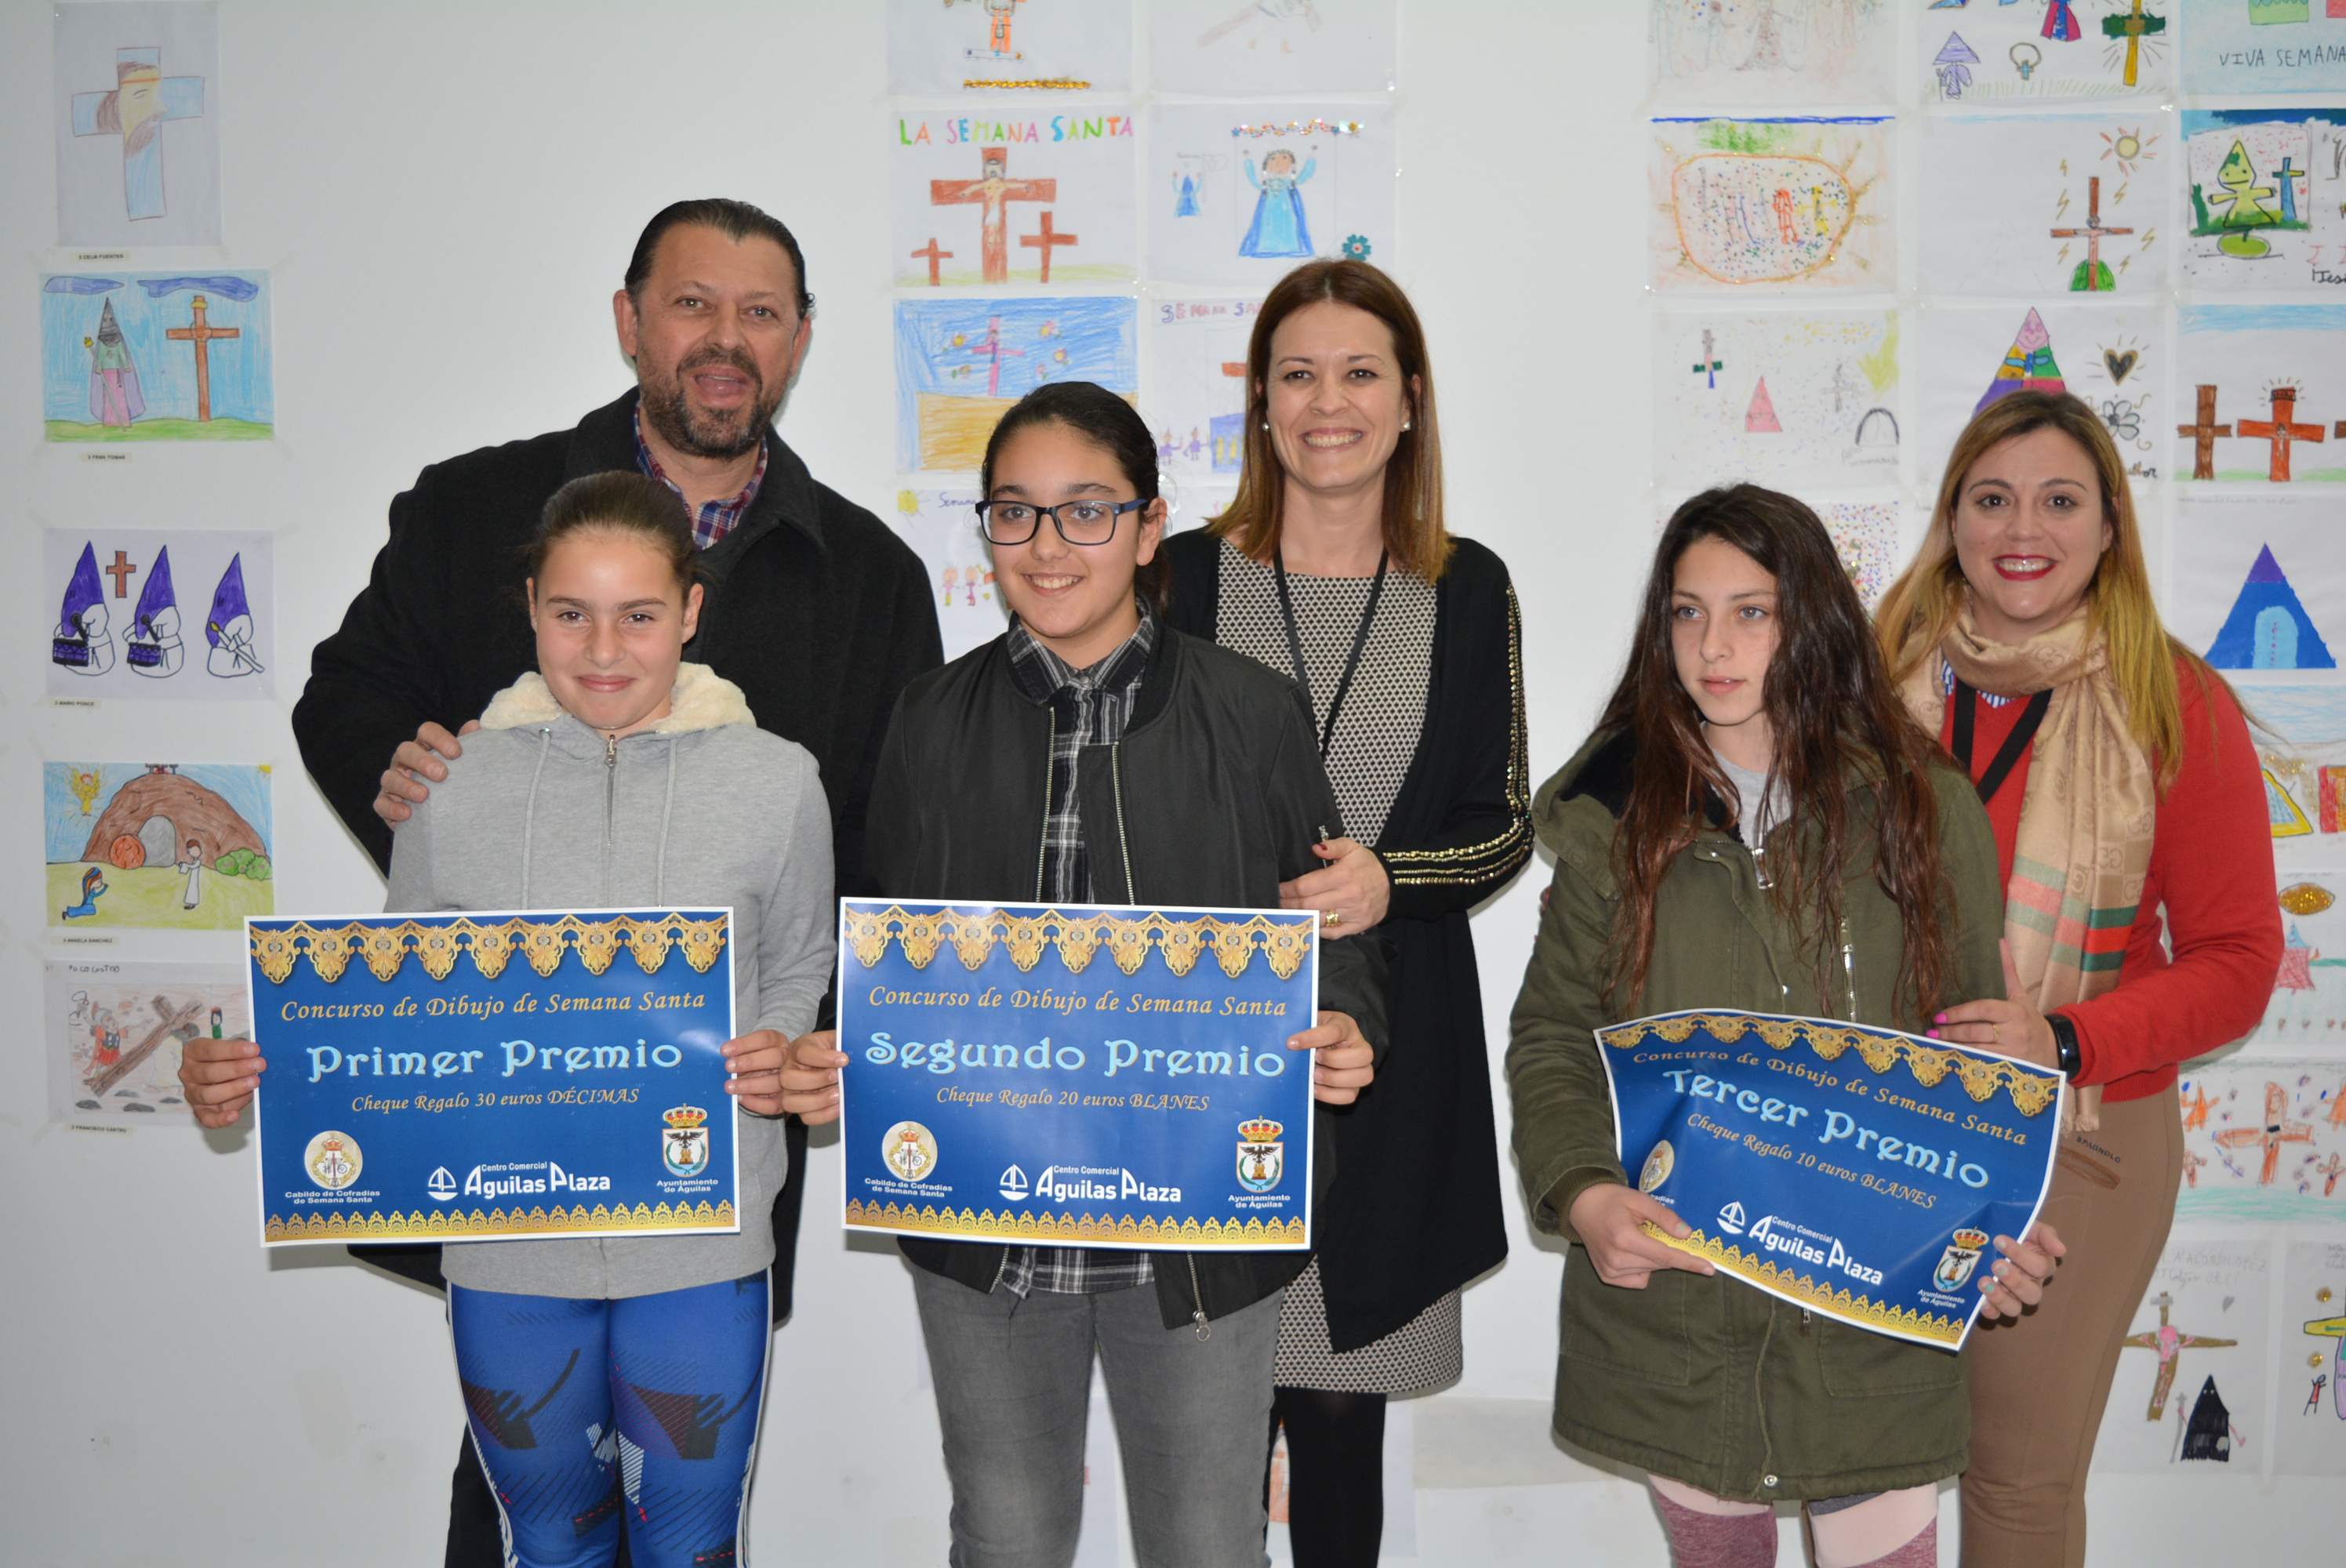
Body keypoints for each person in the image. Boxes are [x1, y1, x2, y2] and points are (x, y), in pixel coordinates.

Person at [185, 198, 939, 1565]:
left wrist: (839, 1039)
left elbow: (881, 841)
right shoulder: (478, 508)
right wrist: (414, 789)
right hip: (508, 1155)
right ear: (629, 320)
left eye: (760, 312)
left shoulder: (871, 576)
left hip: (703, 1152)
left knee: (684, 1510)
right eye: (692, 303)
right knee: (526, 1514)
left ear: (802, 340)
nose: (726, 338)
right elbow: (350, 708)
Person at [777, 380, 1386, 1568]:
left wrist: (1348, 1022)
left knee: (1208, 1541)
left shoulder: (1253, 713)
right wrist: (838, 1053)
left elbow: (1336, 929)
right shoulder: (928, 716)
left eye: (1087, 511)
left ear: (1151, 529)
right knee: (1004, 1537)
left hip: (1197, 1233)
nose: (1048, 546)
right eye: (1016, 513)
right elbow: (886, 952)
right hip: (984, 1231)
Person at [185, 474, 833, 1567]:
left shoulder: (778, 783)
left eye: (638, 614)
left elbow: (798, 961)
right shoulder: (448, 783)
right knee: (550, 1545)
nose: (603, 647)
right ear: (531, 607)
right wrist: (262, 1069)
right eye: (571, 612)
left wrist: (779, 1046)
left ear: (690, 613)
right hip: (507, 1253)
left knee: (691, 1547)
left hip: (703, 1247)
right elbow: (403, 1009)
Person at [1507, 486, 2065, 1568]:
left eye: (1750, 613)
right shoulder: (1613, 817)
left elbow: (1968, 1055)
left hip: (1873, 1331)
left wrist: (1993, 1217)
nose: (1712, 647)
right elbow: (1555, 1038)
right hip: (1679, 1327)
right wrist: (1583, 1194)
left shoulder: (1922, 808)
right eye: (1686, 612)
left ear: (1808, 620)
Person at [1160, 258, 1527, 1567]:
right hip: (1199, 1062)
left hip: (1386, 1071)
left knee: (1335, 1415)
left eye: (1361, 372)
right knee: (1202, 1427)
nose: (1330, 402)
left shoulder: (1468, 587)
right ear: (1260, 405)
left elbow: (1501, 825)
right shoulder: (1181, 580)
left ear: (1412, 401)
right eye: (1298, 374)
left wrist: (1390, 878)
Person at [1874, 391, 2281, 1568]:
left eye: (2062, 501)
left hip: (2083, 1142)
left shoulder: (2175, 701)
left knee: (2015, 1487)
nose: (2024, 528)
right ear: (1951, 519)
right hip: (1877, 1122)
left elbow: (2243, 962)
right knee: (1860, 1469)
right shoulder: (1867, 688)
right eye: (1992, 498)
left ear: (2111, 528)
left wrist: (2059, 1040)